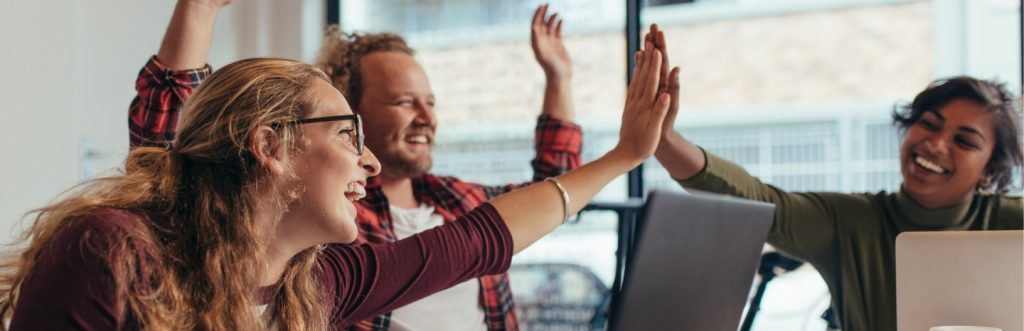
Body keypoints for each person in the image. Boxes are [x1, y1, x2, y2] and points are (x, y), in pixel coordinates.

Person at [0, 21, 673, 331]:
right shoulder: (112, 254)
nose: (370, 162)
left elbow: (483, 238)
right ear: (270, 146)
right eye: (349, 133)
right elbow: (167, 138)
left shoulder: (312, 284)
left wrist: (623, 157)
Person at [129, 3, 579, 329]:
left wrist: (559, 78)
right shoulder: (320, 215)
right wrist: (199, 9)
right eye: (404, 102)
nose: (427, 117)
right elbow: (174, 154)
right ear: (352, 109)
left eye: (431, 103)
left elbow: (553, 193)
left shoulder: (458, 199)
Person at [647, 26, 1024, 331]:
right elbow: (757, 200)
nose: (937, 145)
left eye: (964, 141)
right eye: (928, 124)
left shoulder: (1012, 223)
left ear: (990, 170)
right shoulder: (850, 222)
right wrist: (665, 141)